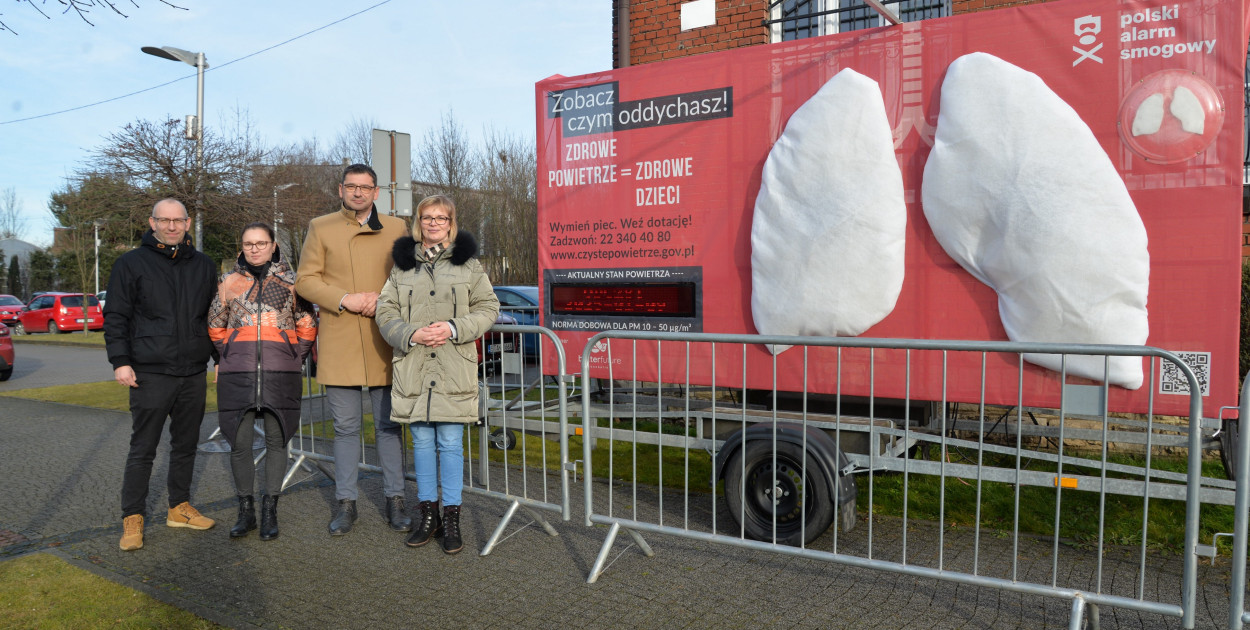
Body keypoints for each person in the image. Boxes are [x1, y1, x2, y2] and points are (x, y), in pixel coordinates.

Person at [376, 194, 499, 554]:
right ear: (419, 222)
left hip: (452, 368)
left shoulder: (470, 266)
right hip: (413, 367)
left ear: (450, 223)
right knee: (422, 444)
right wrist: (410, 333)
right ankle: (428, 515)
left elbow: (489, 307)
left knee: (449, 443)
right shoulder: (402, 268)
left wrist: (454, 327)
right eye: (427, 217)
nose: (433, 223)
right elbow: (386, 311)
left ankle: (452, 518)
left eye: (440, 218)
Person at [295, 164, 412, 535]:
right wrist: (346, 298)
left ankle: (396, 499)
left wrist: (384, 301)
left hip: (384, 339)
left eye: (366, 187)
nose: (358, 193)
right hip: (341, 338)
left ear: (377, 192)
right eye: (351, 186)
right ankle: (346, 502)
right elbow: (306, 280)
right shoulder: (321, 226)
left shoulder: (396, 228)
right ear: (340, 189)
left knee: (389, 425)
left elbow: (408, 276)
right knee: (345, 427)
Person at [104, 198, 219, 551]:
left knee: (185, 445)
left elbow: (212, 318)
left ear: (187, 223)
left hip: (192, 373)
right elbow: (116, 317)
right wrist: (120, 361)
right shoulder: (130, 264)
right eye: (164, 220)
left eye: (178, 220)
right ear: (152, 223)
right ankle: (133, 517)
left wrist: (220, 358)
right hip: (149, 373)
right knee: (144, 448)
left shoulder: (203, 265)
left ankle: (178, 507)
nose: (171, 226)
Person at [209, 223, 317, 540]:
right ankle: (246, 512)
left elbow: (307, 323)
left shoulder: (293, 282)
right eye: (248, 243)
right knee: (239, 444)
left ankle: (270, 510)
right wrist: (229, 353)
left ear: (273, 245)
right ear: (241, 247)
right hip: (237, 373)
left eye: (261, 243)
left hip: (280, 372)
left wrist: (294, 355)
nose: (255, 248)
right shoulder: (228, 282)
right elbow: (215, 326)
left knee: (277, 440)